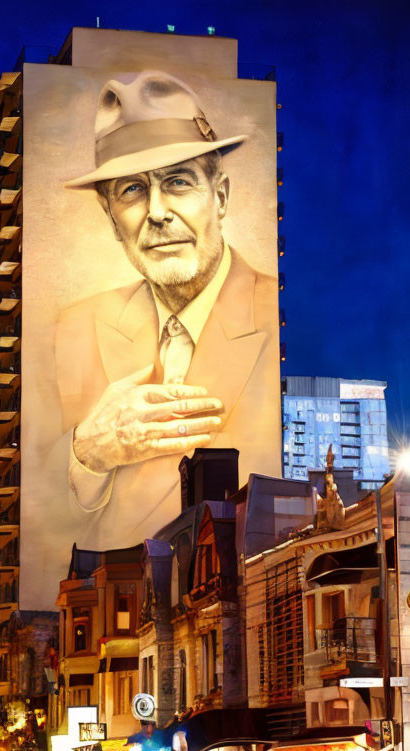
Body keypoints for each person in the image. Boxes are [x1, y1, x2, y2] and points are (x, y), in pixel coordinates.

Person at [44, 70, 280, 557]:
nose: (156, 212)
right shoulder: (72, 328)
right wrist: (86, 454)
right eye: (131, 190)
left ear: (221, 196)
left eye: (177, 181)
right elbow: (48, 522)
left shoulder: (272, 316)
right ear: (112, 218)